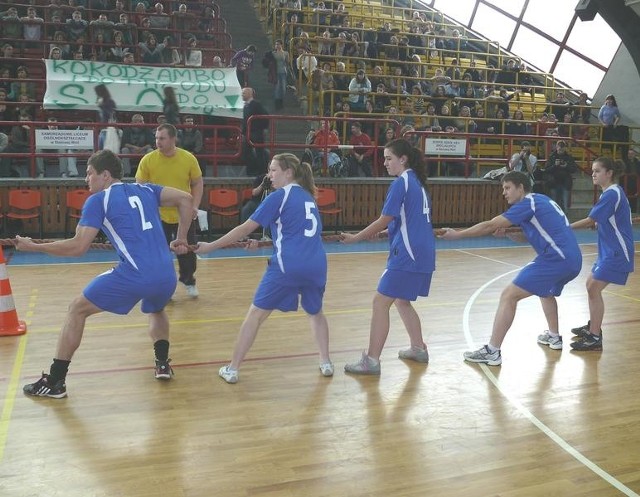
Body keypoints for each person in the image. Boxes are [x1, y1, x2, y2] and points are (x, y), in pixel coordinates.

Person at [18, 149, 194, 398]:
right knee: (156, 309)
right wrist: (182, 238)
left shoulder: (98, 200)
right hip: (166, 274)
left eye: (89, 174)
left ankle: (55, 381)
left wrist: (34, 247)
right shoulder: (146, 189)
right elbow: (186, 199)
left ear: (106, 175)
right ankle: (162, 364)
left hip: (135, 274)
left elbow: (78, 247)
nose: (86, 179)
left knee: (77, 309)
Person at [193, 153, 333, 383]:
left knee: (255, 315)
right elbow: (296, 233)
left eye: (273, 170)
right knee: (316, 313)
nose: (269, 175)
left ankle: (233, 368)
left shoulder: (278, 197)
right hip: (317, 265)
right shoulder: (309, 197)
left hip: (288, 266)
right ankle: (326, 362)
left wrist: (211, 246)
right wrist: (264, 242)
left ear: (288, 172)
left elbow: (244, 228)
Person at [440, 171, 582, 365]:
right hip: (572, 259)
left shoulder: (527, 203)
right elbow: (535, 234)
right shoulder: (541, 200)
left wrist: (458, 234)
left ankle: (492, 350)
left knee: (509, 295)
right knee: (545, 291)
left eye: (507, 188)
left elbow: (490, 225)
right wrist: (510, 235)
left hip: (556, 259)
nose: (504, 193)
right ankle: (554, 336)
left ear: (521, 188)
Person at [341, 139, 435, 375]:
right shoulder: (417, 183)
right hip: (424, 251)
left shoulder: (401, 183)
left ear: (402, 159)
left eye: (388, 158)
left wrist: (356, 238)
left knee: (380, 302)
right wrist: (385, 233)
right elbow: (405, 220)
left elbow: (385, 218)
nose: (384, 163)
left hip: (408, 253)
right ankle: (418, 348)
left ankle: (371, 360)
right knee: (402, 301)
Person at [569, 157, 634, 351]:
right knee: (590, 286)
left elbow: (591, 220)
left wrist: (565, 228)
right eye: (592, 171)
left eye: (597, 171)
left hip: (617, 252)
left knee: (594, 289)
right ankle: (593, 327)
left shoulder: (611, 194)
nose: (593, 174)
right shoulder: (612, 193)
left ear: (609, 173)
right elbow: (602, 220)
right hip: (608, 250)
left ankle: (595, 336)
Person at [136, 124, 203, 298]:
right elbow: (140, 188)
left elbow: (197, 183)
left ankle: (188, 281)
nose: (158, 141)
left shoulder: (188, 158)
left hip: (184, 215)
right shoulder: (148, 160)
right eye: (156, 138)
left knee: (187, 253)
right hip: (158, 217)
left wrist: (194, 205)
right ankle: (165, 287)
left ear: (173, 139)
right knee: (159, 255)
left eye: (162, 138)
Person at [242, 87, 269, 176]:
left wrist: (263, 128)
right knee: (247, 153)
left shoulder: (256, 104)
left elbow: (265, 116)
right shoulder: (246, 106)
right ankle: (251, 171)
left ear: (250, 94)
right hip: (248, 133)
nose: (242, 95)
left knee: (259, 152)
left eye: (244, 93)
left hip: (256, 132)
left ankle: (261, 172)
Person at [544, 140, 578, 211]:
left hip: (565, 183)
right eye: (559, 148)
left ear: (565, 148)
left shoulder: (569, 157)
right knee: (554, 204)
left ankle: (565, 218)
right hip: (554, 182)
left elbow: (574, 169)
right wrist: (555, 165)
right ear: (556, 147)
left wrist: (566, 166)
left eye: (562, 149)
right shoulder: (552, 157)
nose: (561, 150)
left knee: (565, 204)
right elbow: (546, 170)